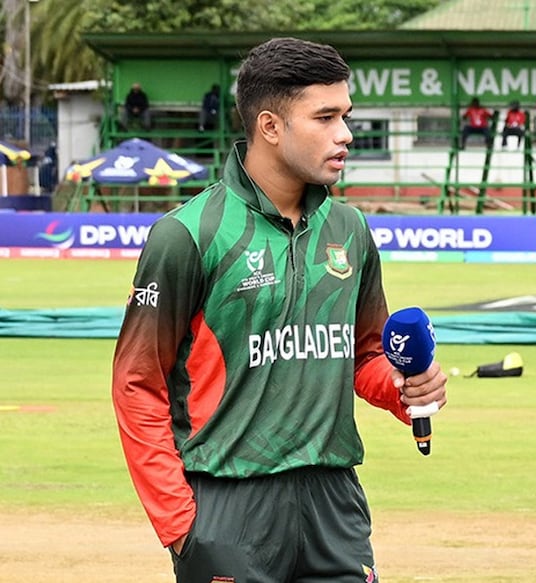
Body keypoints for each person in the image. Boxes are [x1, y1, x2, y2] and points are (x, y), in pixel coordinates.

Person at [111, 37, 448, 583]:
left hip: (334, 504)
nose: (346, 133)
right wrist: (180, 524)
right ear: (270, 126)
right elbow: (136, 383)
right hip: (228, 507)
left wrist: (405, 387)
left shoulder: (350, 229)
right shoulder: (187, 235)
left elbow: (365, 356)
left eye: (346, 115)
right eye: (326, 117)